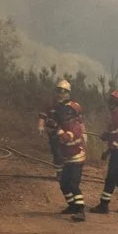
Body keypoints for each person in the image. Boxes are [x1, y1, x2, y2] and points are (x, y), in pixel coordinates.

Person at [38, 79, 88, 222]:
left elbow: (66, 138)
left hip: (76, 160)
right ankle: (72, 206)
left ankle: (80, 210)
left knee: (73, 185)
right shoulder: (66, 122)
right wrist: (54, 126)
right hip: (68, 159)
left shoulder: (74, 126)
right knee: (63, 183)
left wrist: (57, 129)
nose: (63, 113)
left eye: (66, 112)